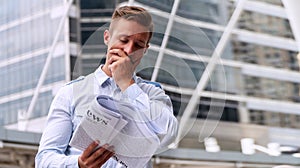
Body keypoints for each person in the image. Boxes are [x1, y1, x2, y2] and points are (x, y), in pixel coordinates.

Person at [35, 5, 178, 168]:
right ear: (107, 38)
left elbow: (169, 135)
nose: (129, 49)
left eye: (138, 45)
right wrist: (78, 164)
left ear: (145, 50)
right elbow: (44, 160)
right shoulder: (70, 93)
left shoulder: (153, 93)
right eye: (123, 40)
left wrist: (127, 84)